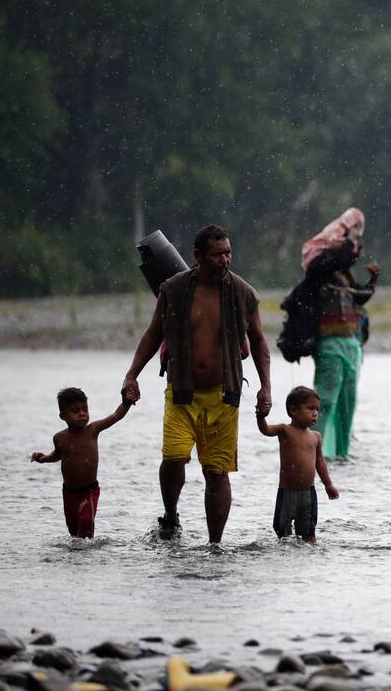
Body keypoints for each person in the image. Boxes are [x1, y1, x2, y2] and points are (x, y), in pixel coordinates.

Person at [123, 224, 272, 543]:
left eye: (228, 253)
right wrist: (132, 374)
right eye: (217, 254)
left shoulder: (243, 293)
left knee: (216, 472)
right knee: (174, 457)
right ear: (198, 256)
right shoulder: (174, 289)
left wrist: (265, 387)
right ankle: (171, 516)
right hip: (182, 393)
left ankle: (215, 543)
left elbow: (259, 342)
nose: (225, 260)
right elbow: (154, 334)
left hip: (224, 396)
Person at [301, 207, 379, 458]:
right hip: (329, 344)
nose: (353, 251)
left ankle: (342, 452)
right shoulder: (319, 273)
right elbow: (335, 257)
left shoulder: (344, 276)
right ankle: (313, 451)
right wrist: (346, 244)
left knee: (348, 402)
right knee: (325, 400)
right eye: (350, 246)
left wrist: (372, 281)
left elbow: (360, 297)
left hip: (350, 344)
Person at [31, 386, 139, 538]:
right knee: (74, 531)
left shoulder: (92, 430)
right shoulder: (59, 438)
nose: (82, 414)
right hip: (68, 492)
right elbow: (59, 455)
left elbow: (116, 415)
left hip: (89, 490)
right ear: (63, 415)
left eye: (85, 409)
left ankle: (88, 558)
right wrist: (44, 459)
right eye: (76, 411)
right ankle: (77, 559)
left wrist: (126, 403)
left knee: (86, 522)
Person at [257, 386, 339, 542]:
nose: (315, 413)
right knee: (283, 533)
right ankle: (286, 559)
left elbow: (320, 462)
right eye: (310, 408)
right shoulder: (284, 430)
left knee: (309, 533)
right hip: (287, 492)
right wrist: (260, 417)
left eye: (317, 409)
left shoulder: (316, 437)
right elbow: (266, 430)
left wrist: (328, 484)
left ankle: (308, 559)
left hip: (308, 493)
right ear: (294, 411)